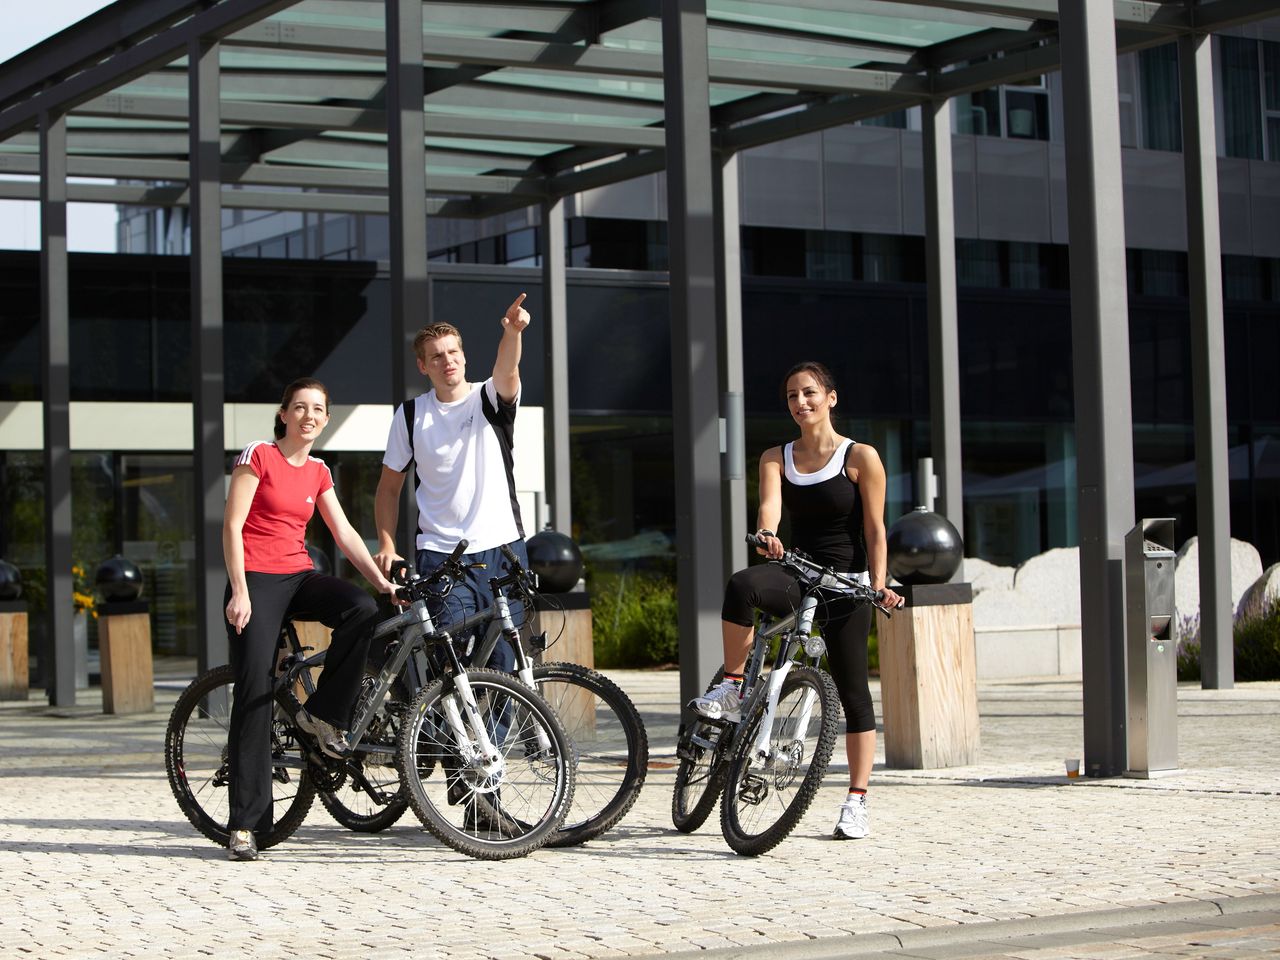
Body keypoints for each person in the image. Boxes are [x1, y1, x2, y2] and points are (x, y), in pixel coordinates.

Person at [690, 360, 904, 841]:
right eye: (791, 396)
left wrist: (879, 581)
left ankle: (856, 799)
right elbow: (769, 509)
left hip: (846, 584)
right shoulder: (775, 456)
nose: (800, 402)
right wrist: (768, 534)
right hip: (798, 572)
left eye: (809, 392)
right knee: (743, 585)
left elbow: (874, 528)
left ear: (831, 397)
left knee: (853, 693)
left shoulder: (860, 457)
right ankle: (733, 684)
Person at [222, 377, 398, 862]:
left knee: (360, 608)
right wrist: (239, 591)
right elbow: (232, 526)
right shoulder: (259, 455)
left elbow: (343, 535)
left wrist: (381, 585)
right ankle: (246, 824)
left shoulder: (318, 471)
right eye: (299, 407)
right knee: (255, 692)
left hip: (299, 575)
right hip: (255, 580)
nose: (308, 416)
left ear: (325, 418)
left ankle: (323, 716)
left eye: (317, 409)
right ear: (283, 414)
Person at [373, 293, 532, 663]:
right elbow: (388, 487)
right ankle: (445, 723)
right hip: (442, 557)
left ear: (464, 356)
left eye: (452, 352)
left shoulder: (488, 399)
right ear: (422, 366)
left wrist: (512, 332)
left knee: (507, 661)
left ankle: (503, 725)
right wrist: (385, 542)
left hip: (503, 549)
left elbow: (507, 371)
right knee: (452, 662)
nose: (447, 361)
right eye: (437, 356)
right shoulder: (412, 415)